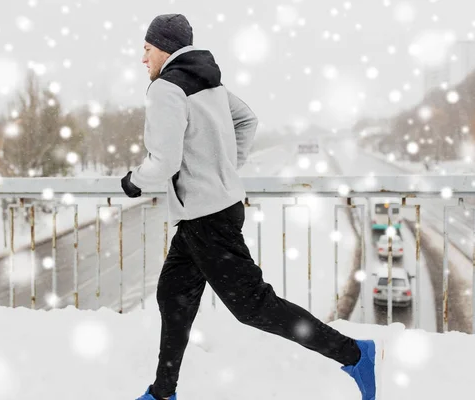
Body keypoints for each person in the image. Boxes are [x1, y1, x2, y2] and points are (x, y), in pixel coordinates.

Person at [120, 13, 377, 400]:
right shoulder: (208, 82)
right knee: (173, 293)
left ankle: (356, 354)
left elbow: (164, 162)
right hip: (207, 215)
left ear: (165, 48)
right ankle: (162, 392)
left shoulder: (165, 89)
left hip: (206, 219)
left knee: (254, 306)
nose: (143, 59)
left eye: (147, 49)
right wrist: (226, 166)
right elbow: (248, 120)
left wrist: (133, 182)